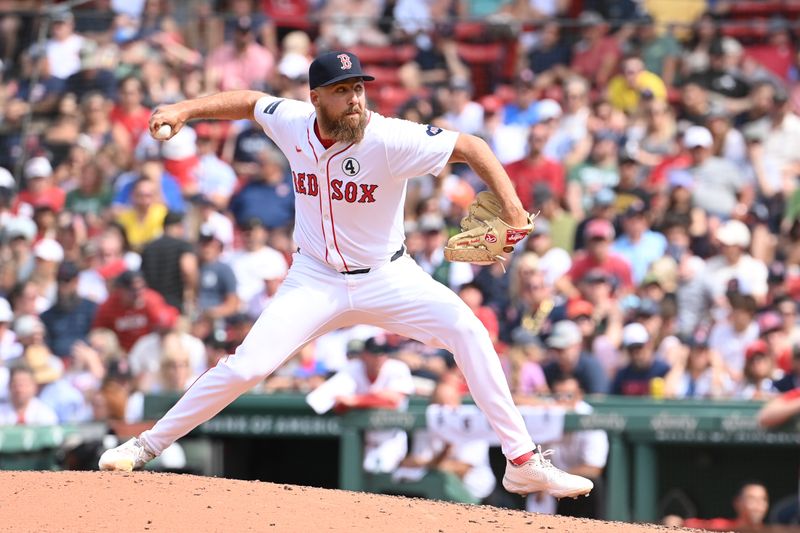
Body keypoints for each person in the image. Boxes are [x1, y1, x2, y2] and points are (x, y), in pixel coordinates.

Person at [99, 50, 593, 499]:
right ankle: (145, 446)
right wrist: (185, 109)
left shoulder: (388, 137)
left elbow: (474, 145)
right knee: (247, 367)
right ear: (316, 98)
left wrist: (511, 206)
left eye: (358, 87)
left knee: (468, 330)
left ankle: (523, 461)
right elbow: (251, 102)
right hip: (314, 279)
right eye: (342, 90)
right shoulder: (293, 121)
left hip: (388, 276)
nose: (355, 99)